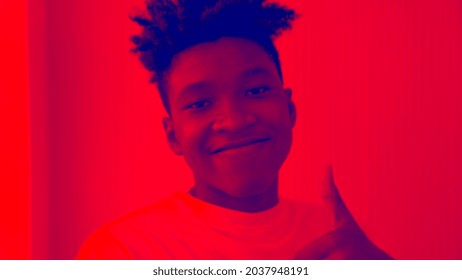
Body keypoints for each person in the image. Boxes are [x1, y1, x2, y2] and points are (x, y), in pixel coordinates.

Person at [77, 0, 391, 260]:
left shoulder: (338, 239)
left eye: (255, 91)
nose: (235, 120)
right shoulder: (122, 252)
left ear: (289, 108)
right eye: (200, 103)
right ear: (173, 135)